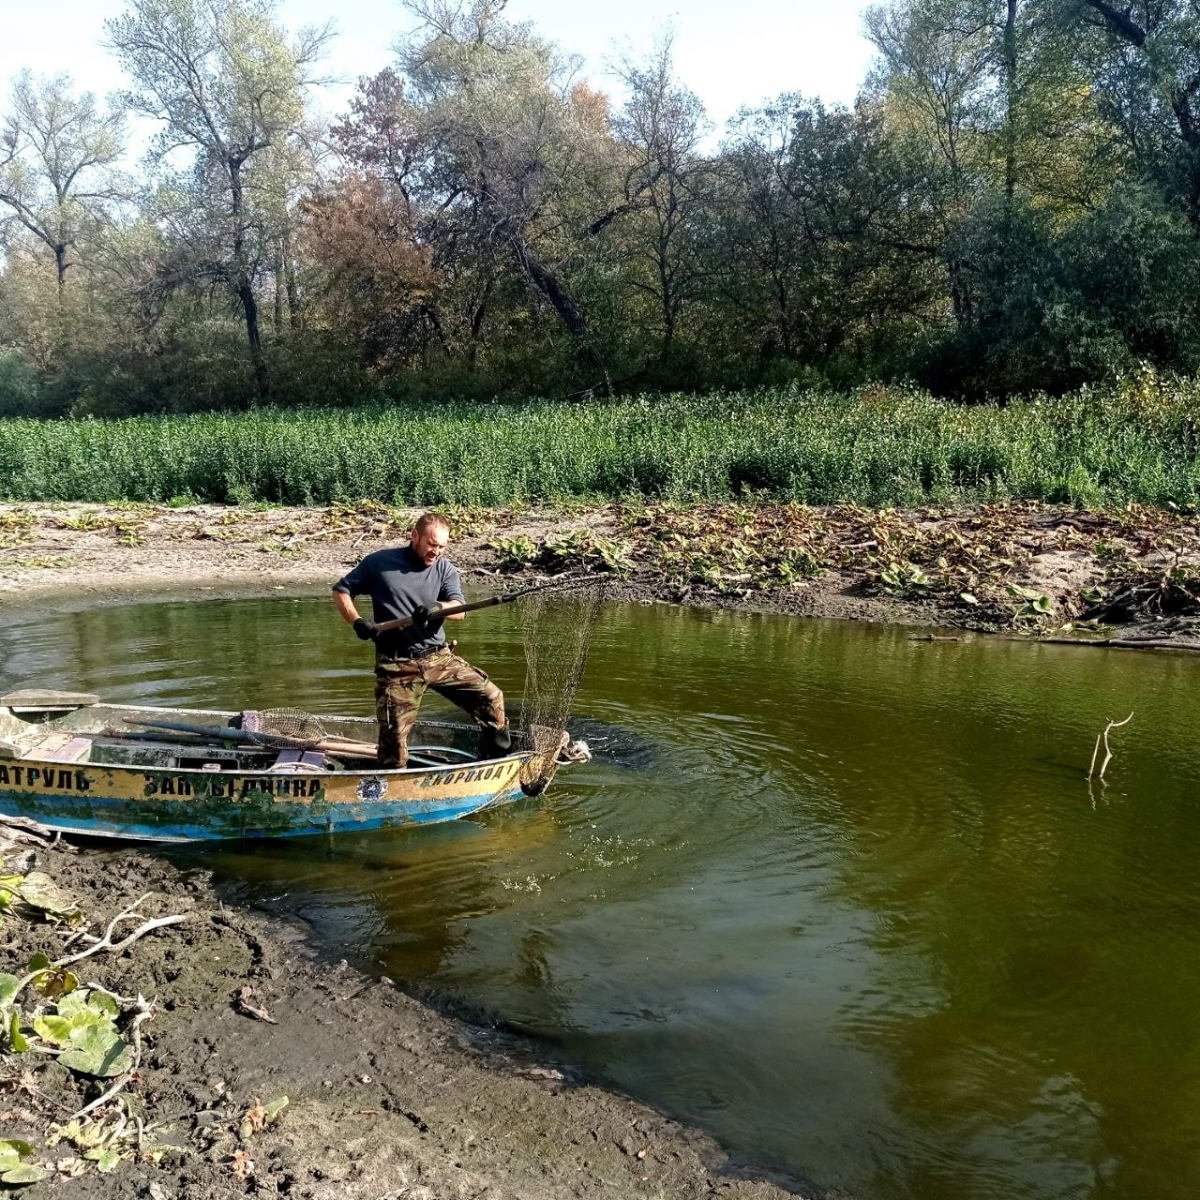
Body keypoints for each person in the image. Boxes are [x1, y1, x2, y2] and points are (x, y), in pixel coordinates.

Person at [332, 512, 512, 768]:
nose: (435, 552)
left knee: (491, 697)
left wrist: (435, 606)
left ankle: (499, 759)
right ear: (414, 536)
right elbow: (341, 590)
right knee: (394, 740)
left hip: (439, 659)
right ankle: (391, 785)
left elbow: (459, 611)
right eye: (431, 544)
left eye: (441, 546)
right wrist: (357, 621)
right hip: (397, 665)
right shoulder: (379, 563)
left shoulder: (444, 568)